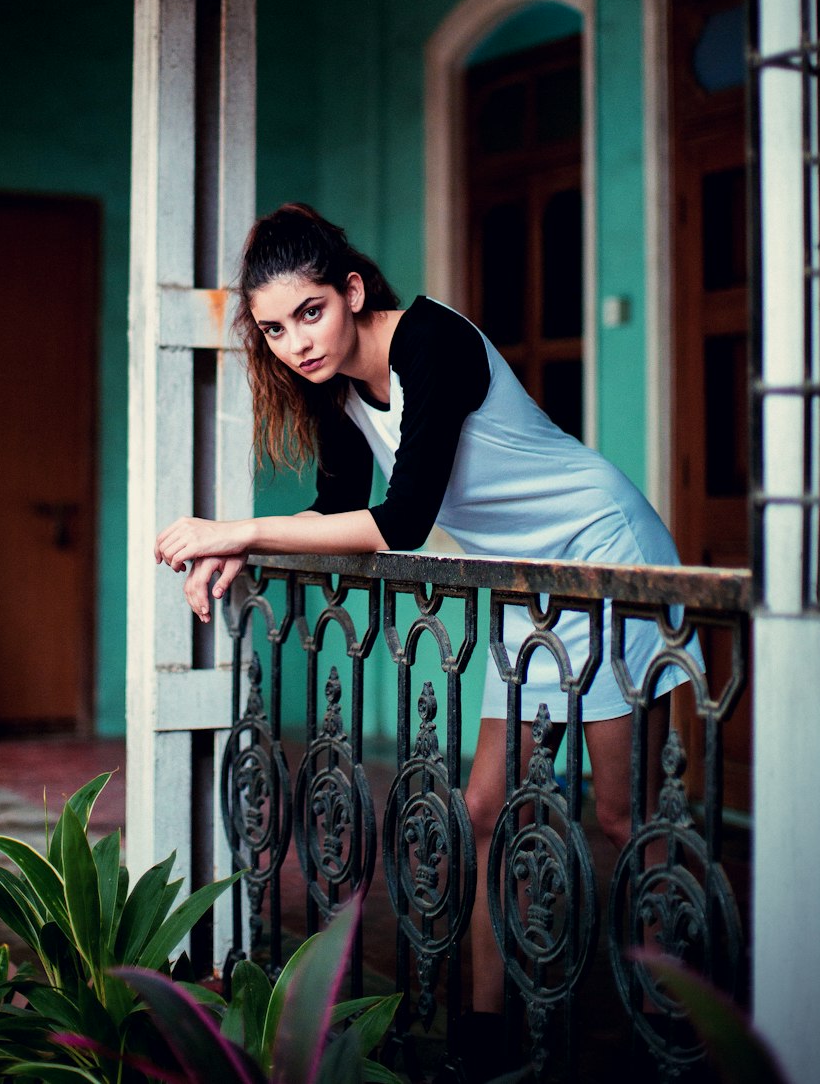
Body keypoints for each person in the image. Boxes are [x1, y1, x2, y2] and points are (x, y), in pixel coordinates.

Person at [155, 202, 696, 1068]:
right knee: (486, 811)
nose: (298, 343)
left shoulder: (431, 341)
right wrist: (237, 548)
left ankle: (686, 1027)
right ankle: (485, 1036)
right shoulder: (332, 390)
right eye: (275, 330)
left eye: (311, 312)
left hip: (604, 555)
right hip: (523, 589)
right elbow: (337, 514)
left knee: (624, 813)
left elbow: (400, 521)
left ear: (352, 290)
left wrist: (236, 529)